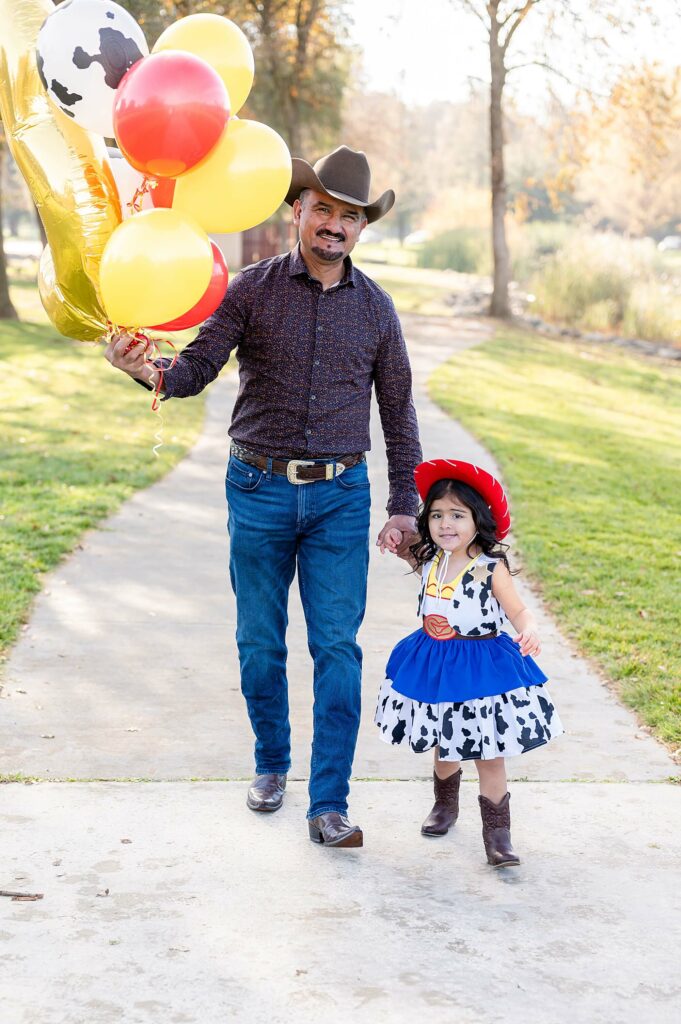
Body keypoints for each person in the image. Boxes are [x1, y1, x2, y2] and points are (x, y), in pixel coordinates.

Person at [104, 146, 422, 849]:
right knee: (258, 642)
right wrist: (144, 370)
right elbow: (192, 371)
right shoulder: (249, 289)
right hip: (257, 490)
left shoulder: (376, 310)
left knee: (337, 647)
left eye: (349, 217)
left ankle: (329, 802)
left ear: (362, 229)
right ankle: (271, 765)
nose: (334, 226)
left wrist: (404, 506)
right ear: (297, 211)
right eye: (323, 211)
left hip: (341, 496)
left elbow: (398, 414)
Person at [374, 458, 563, 866]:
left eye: (457, 515)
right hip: (435, 661)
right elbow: (403, 547)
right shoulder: (430, 560)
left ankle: (498, 834)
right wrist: (394, 535)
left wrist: (530, 629)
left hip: (481, 666)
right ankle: (445, 806)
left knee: (488, 749)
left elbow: (518, 611)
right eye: (438, 515)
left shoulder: (488, 569)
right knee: (446, 739)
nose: (446, 524)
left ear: (479, 520)